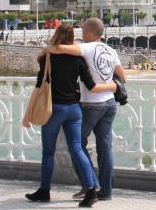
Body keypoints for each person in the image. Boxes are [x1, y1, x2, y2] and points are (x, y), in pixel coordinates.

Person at [22, 23, 116, 207]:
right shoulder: (79, 59)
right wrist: (113, 86)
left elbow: (39, 87)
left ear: (56, 35)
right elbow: (90, 85)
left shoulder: (47, 57)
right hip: (74, 109)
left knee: (48, 152)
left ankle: (44, 191)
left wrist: (27, 114)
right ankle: (90, 190)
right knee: (77, 149)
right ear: (72, 38)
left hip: (54, 109)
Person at [48, 18, 125, 202]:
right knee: (105, 148)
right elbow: (122, 77)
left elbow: (58, 49)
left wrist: (53, 46)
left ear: (90, 32)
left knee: (76, 144)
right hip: (110, 104)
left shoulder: (88, 48)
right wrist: (108, 83)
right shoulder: (110, 50)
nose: (81, 33)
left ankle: (90, 185)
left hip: (92, 104)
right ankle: (106, 192)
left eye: (83, 30)